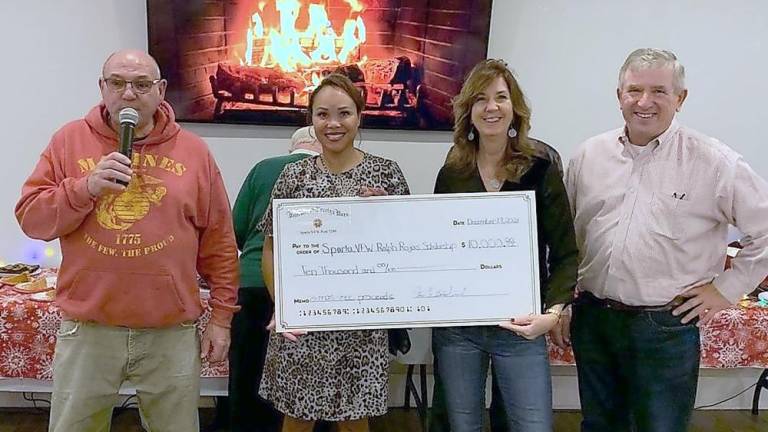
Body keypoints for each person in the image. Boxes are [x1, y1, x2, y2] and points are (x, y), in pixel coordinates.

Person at [15, 49, 239, 431]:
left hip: (170, 331)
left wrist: (221, 318)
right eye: (117, 83)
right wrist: (85, 187)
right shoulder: (69, 141)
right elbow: (32, 219)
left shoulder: (194, 152)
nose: (129, 94)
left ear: (161, 90)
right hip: (89, 329)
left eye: (141, 84)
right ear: (102, 88)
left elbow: (218, 242)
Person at [558, 48, 768, 431]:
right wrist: (559, 301)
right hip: (594, 319)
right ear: (618, 94)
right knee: (599, 425)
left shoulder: (714, 163)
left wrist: (725, 289)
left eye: (659, 91)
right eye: (634, 90)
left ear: (680, 98)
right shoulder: (588, 156)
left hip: (665, 327)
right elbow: (565, 237)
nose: (644, 102)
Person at [430, 59, 579, 432]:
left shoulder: (540, 168)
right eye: (480, 99)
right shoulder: (453, 173)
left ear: (515, 109)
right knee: (462, 426)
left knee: (533, 425)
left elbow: (565, 252)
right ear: (469, 111)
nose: (491, 107)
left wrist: (553, 312)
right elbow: (436, 249)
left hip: (522, 327)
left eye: (500, 97)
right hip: (460, 330)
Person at [258, 73, 411, 432]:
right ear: (311, 121)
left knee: (355, 420)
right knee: (296, 417)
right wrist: (285, 305)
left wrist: (387, 215)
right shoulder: (293, 176)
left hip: (361, 324)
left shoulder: (386, 176)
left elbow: (406, 249)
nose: (333, 124)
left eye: (343, 113)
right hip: (304, 324)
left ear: (360, 116)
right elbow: (270, 247)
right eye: (322, 114)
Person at [228, 126, 322, 432]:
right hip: (311, 288)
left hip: (254, 280)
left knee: (248, 375)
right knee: (309, 381)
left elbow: (237, 228)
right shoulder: (332, 170)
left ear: (291, 146)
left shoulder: (263, 168)